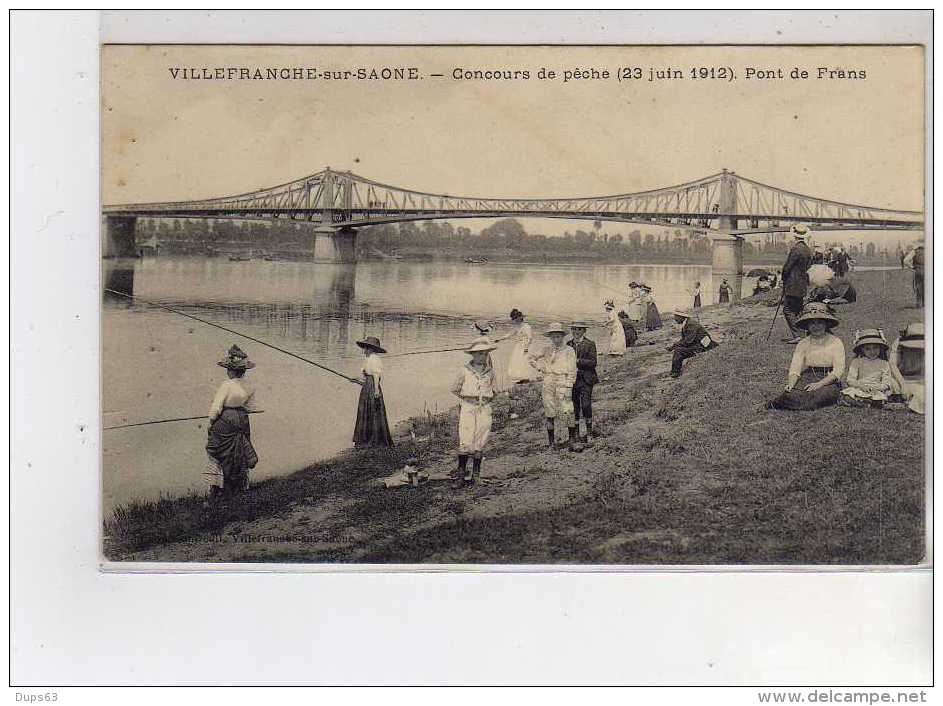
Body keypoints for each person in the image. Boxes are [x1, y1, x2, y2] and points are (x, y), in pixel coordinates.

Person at [767, 303, 845, 410]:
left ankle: (801, 404)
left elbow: (838, 371)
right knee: (790, 394)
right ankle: (790, 402)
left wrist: (819, 384)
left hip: (828, 378)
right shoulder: (803, 343)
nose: (816, 326)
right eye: (812, 323)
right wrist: (791, 384)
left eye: (820, 323)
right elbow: (795, 367)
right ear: (807, 325)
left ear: (826, 324)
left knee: (822, 395)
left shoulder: (836, 342)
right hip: (808, 375)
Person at [206, 345, 259, 495]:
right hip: (242, 419)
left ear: (231, 370)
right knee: (240, 452)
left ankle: (217, 487)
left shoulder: (226, 384)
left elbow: (216, 407)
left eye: (228, 369)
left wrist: (210, 422)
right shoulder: (250, 385)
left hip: (226, 419)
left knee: (216, 451)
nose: (227, 371)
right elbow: (251, 407)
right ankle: (240, 485)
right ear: (243, 371)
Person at [450, 337, 498, 487]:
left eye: (485, 353)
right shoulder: (464, 370)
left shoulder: (490, 372)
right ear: (473, 355)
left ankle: (476, 476)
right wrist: (467, 400)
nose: (482, 356)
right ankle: (460, 476)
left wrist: (484, 401)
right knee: (465, 439)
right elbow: (455, 389)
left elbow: (494, 390)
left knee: (480, 440)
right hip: (468, 407)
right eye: (479, 354)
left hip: (484, 407)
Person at [529, 322, 581, 452]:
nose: (556, 339)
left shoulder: (569, 350)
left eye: (558, 336)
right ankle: (551, 443)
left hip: (563, 381)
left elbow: (572, 370)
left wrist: (569, 386)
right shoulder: (546, 349)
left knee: (568, 409)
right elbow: (531, 358)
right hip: (548, 381)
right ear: (550, 337)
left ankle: (572, 440)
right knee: (549, 410)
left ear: (563, 336)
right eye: (553, 336)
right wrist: (540, 368)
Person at [353, 336, 394, 448]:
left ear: (371, 349)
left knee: (373, 410)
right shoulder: (368, 359)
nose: (364, 350)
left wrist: (376, 390)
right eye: (364, 348)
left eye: (366, 348)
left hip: (372, 387)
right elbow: (364, 377)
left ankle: (374, 439)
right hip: (367, 387)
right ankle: (364, 439)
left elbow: (376, 375)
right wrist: (355, 379)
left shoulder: (375, 359)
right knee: (364, 409)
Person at [840, 329, 895, 408]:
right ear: (862, 349)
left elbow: (886, 383)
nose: (872, 352)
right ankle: (865, 403)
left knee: (880, 397)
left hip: (876, 390)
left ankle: (867, 402)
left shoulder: (884, 363)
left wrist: (876, 388)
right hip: (860, 388)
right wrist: (861, 386)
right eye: (868, 349)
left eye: (875, 348)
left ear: (880, 348)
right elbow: (850, 380)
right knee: (848, 394)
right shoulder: (857, 362)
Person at [780, 223, 813, 343]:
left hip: (793, 284)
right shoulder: (807, 250)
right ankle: (802, 334)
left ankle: (797, 336)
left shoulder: (795, 249)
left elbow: (787, 267)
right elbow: (809, 268)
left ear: (795, 237)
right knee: (798, 309)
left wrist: (783, 277)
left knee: (788, 309)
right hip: (802, 283)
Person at [568, 321, 599, 443]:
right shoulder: (568, 344)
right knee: (574, 407)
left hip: (586, 379)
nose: (576, 332)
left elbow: (593, 362)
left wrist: (577, 361)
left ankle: (589, 432)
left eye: (579, 329)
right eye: (574, 329)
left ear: (584, 331)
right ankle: (576, 433)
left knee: (586, 405)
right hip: (572, 380)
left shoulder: (590, 344)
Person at [666, 310, 717, 379]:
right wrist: (675, 345)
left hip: (703, 346)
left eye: (675, 317)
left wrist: (673, 346)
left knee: (678, 351)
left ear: (681, 317)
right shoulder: (688, 323)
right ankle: (675, 372)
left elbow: (688, 341)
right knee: (679, 349)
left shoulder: (690, 324)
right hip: (700, 344)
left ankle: (675, 373)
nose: (675, 319)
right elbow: (686, 339)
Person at [890, 323, 924, 414]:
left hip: (920, 379)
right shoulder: (898, 342)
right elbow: (893, 365)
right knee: (893, 386)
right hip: (901, 378)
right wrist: (903, 385)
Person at [499, 308, 534, 384]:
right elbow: (510, 334)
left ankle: (525, 378)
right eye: (514, 319)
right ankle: (520, 379)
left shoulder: (526, 326)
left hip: (525, 346)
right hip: (518, 346)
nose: (515, 320)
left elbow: (530, 338)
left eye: (516, 318)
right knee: (516, 361)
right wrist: (500, 339)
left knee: (523, 361)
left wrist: (526, 348)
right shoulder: (518, 327)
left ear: (520, 318)